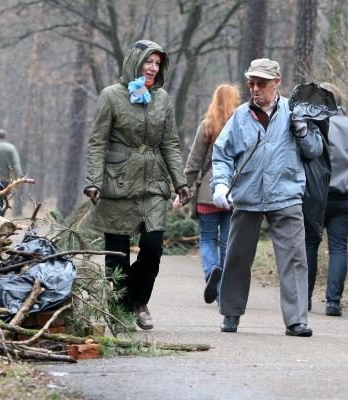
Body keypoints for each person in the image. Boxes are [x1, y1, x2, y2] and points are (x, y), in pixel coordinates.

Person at [83, 40, 191, 330]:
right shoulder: (111, 96)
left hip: (154, 183)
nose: (153, 68)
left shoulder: (163, 99)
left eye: (157, 63)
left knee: (153, 248)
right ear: (135, 62)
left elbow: (170, 142)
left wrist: (180, 181)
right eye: (148, 62)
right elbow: (97, 143)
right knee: (117, 254)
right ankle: (118, 313)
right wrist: (93, 180)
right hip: (119, 181)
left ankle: (137, 300)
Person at [211, 58, 323, 337]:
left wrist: (303, 130)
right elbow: (222, 154)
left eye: (261, 83)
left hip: (286, 194)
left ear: (277, 83)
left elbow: (315, 150)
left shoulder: (295, 110)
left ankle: (297, 320)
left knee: (295, 259)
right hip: (247, 195)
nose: (255, 88)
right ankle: (231, 313)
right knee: (237, 256)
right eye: (251, 82)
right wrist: (221, 185)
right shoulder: (239, 116)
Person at [175, 84, 241, 304]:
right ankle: (223, 292)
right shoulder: (242, 125)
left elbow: (193, 163)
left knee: (207, 239)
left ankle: (211, 271)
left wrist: (183, 191)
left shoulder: (207, 126)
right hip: (234, 192)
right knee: (227, 243)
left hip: (207, 194)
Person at [305, 82, 348, 317]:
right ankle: (333, 302)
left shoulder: (312, 125)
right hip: (345, 196)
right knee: (339, 248)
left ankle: (303, 299)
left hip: (317, 196)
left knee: (309, 245)